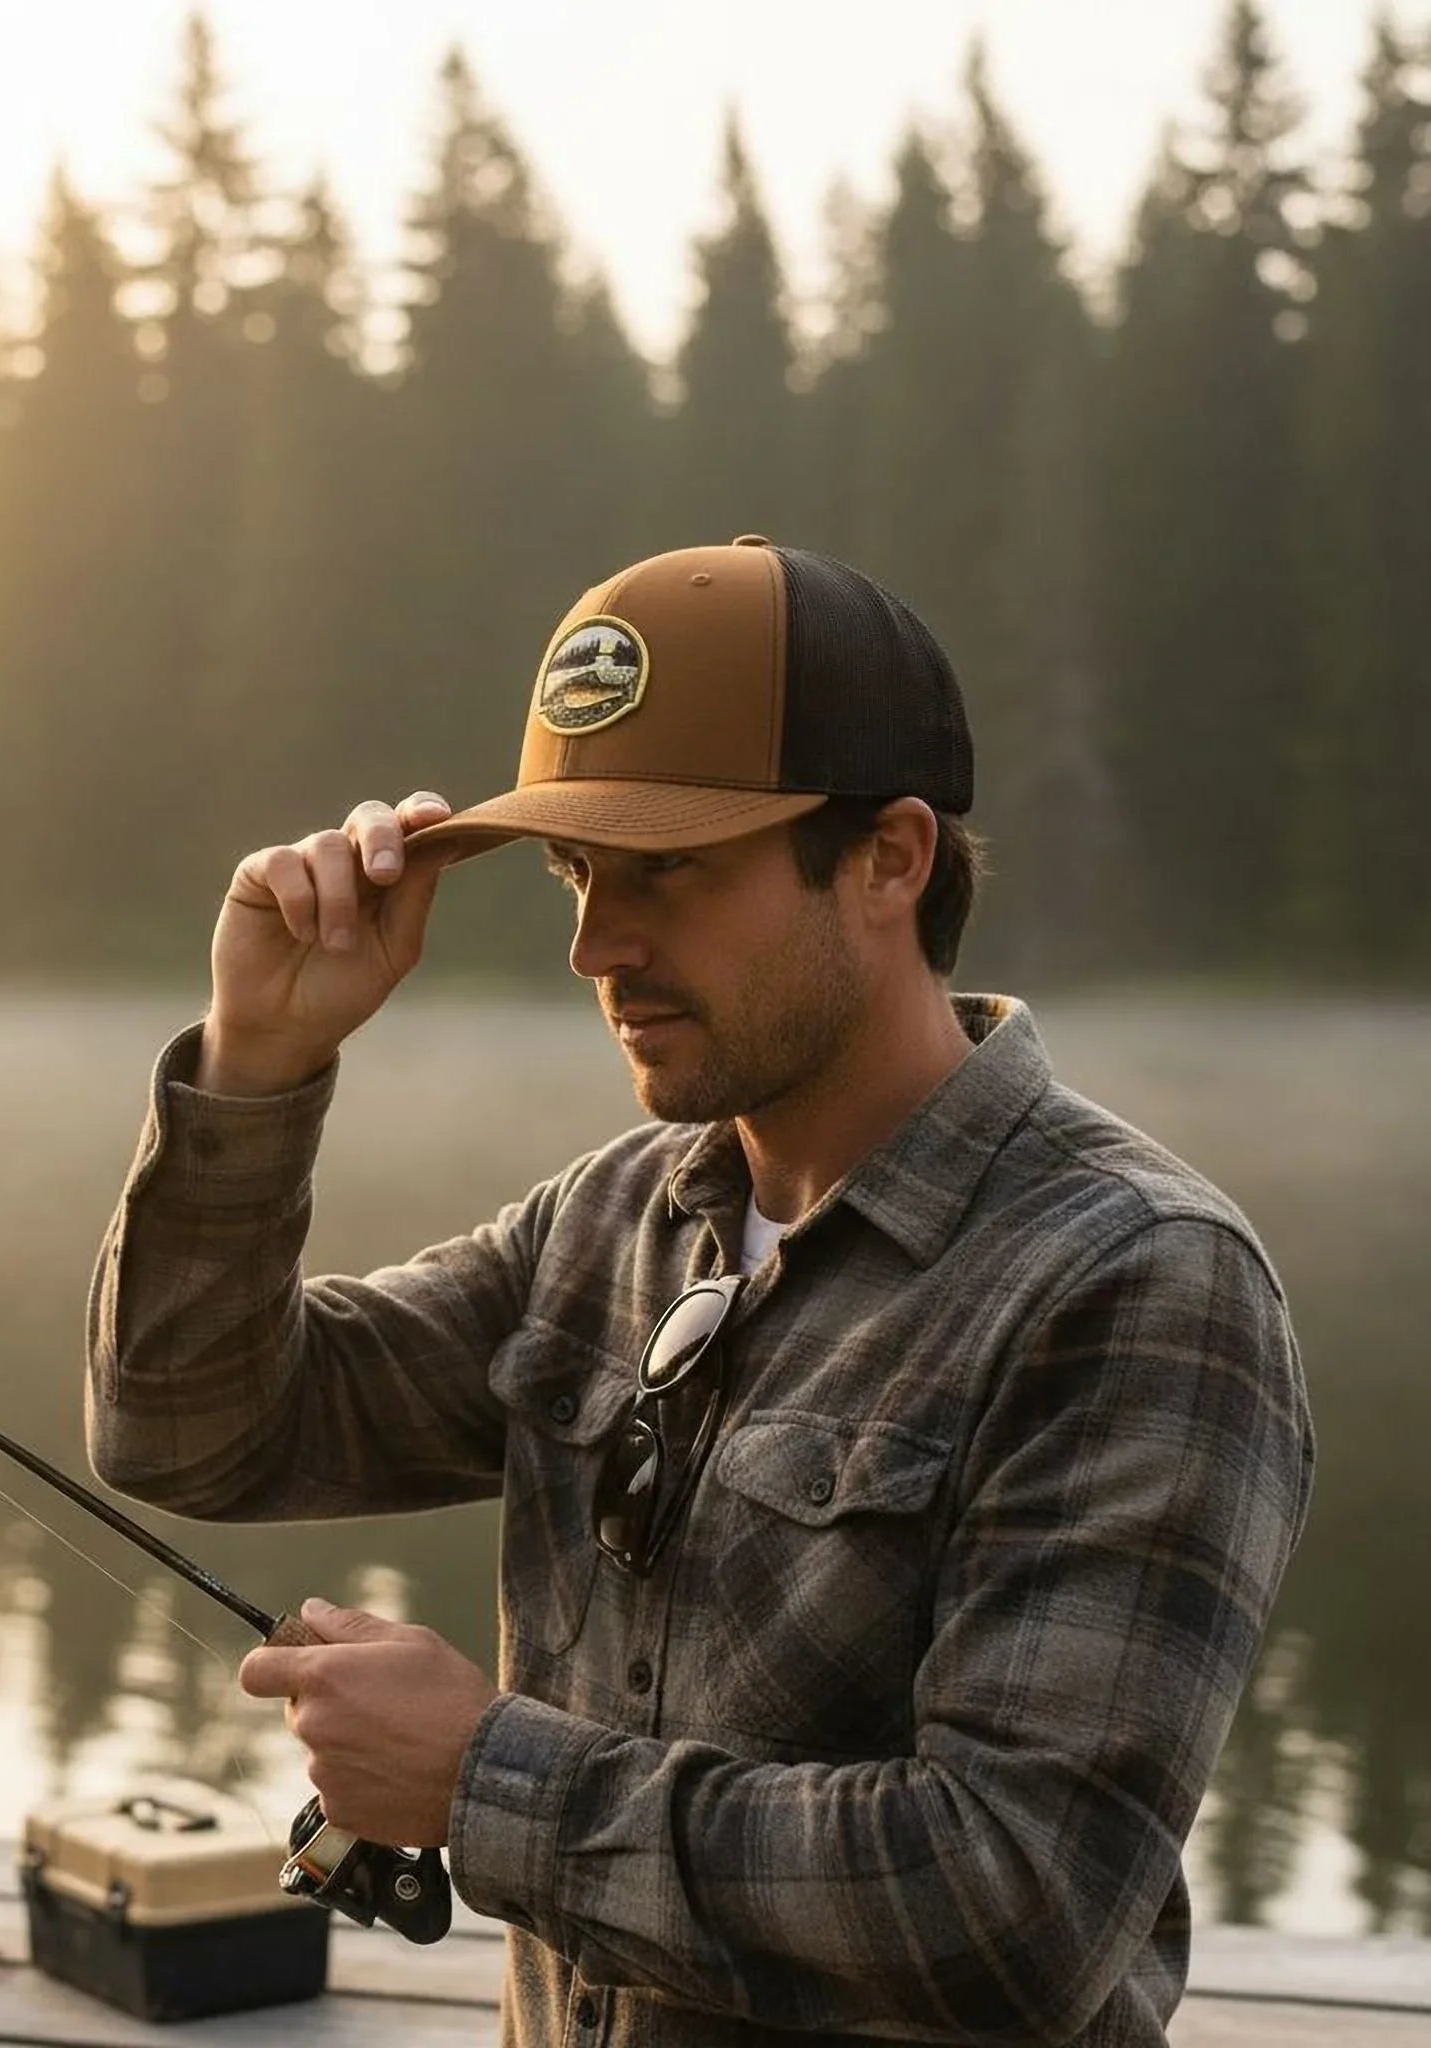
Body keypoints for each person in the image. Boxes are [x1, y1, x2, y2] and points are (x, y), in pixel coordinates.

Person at [84, 536, 1314, 2046]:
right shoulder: (612, 1220)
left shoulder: (1139, 1284)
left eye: (669, 869)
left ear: (890, 858)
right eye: (577, 872)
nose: (600, 945)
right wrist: (257, 1062)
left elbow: (1018, 1909)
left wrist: (483, 1779)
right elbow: (191, 1435)